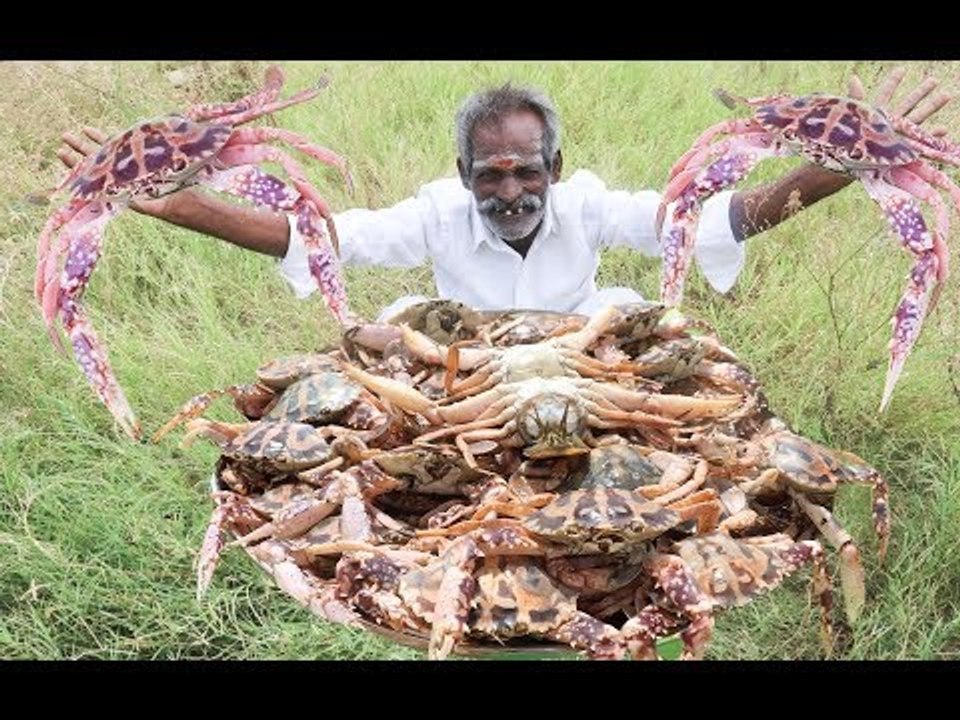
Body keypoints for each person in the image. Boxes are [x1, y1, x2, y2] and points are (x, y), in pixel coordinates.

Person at [58, 66, 952, 322]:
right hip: (465, 369)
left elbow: (718, 219)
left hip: (584, 356)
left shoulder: (588, 203)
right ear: (464, 178)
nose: (512, 188)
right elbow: (324, 238)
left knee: (647, 317)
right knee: (393, 327)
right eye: (492, 174)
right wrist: (183, 207)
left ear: (555, 170)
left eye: (528, 170)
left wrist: (843, 162)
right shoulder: (437, 214)